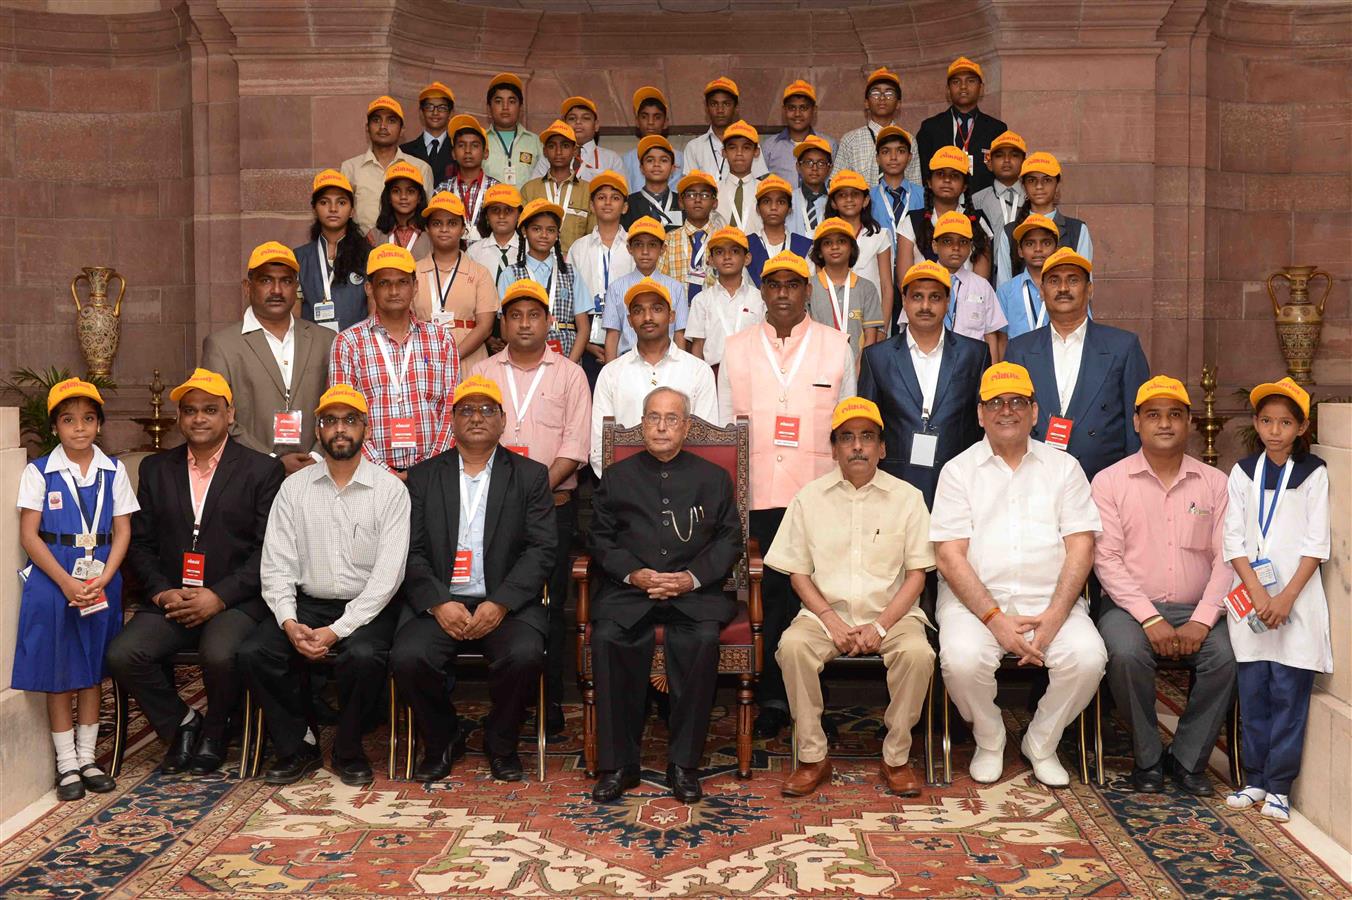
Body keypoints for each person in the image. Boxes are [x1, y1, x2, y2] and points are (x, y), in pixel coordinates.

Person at [930, 361, 1106, 787]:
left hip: (1052, 604)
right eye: (994, 403)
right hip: (974, 607)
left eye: (1017, 402)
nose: (1005, 410)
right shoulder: (957, 471)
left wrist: (1056, 615)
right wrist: (994, 619)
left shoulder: (1065, 468)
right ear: (979, 414)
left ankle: (1040, 742)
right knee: (961, 659)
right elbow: (950, 557)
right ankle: (990, 739)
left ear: (1034, 411)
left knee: (1088, 659)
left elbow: (1082, 545)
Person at [108, 369, 283, 776]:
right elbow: (140, 542)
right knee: (123, 654)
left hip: (234, 600)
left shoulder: (261, 470)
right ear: (180, 418)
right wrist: (160, 593)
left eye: (209, 410)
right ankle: (183, 724)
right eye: (190, 411)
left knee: (219, 654)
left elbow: (269, 550)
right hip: (172, 597)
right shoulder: (155, 469)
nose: (199, 418)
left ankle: (217, 733)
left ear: (229, 415)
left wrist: (218, 596)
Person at [241, 384, 410, 786]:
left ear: (365, 429)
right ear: (317, 430)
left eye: (349, 420)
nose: (340, 429)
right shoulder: (293, 488)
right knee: (254, 652)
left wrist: (336, 631)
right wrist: (287, 621)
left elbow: (388, 578)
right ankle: (297, 742)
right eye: (330, 421)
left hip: (369, 606)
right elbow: (276, 565)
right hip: (307, 603)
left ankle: (348, 749)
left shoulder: (390, 491)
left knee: (365, 656)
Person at [717, 251, 856, 739]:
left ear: (807, 292)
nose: (781, 292)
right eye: (773, 284)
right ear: (762, 292)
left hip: (818, 495)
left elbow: (849, 428)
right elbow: (721, 428)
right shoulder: (735, 348)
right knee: (770, 597)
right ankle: (775, 697)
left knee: (821, 595)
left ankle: (816, 701)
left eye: (792, 285)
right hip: (756, 496)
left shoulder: (837, 346)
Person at [392, 375, 556, 782]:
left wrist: (500, 602)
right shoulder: (424, 477)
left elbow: (542, 549)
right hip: (439, 604)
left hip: (506, 603)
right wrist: (437, 601)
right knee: (407, 658)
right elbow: (408, 550)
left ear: (503, 421)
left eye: (487, 410)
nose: (477, 418)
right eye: (466, 410)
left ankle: (500, 741)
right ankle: (443, 737)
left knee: (524, 655)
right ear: (452, 421)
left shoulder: (531, 476)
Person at [769, 397, 935, 798]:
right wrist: (831, 620)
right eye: (847, 438)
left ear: (883, 447)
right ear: (834, 449)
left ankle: (896, 758)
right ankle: (812, 758)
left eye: (867, 437)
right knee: (791, 648)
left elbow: (917, 576)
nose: (857, 446)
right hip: (824, 617)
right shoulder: (809, 498)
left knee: (919, 655)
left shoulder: (908, 498)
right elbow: (797, 573)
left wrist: (880, 626)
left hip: (893, 617)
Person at [588, 386, 743, 804]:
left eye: (671, 418)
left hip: (694, 593)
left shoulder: (713, 478)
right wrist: (633, 573)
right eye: (653, 417)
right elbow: (599, 537)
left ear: (686, 426)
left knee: (700, 640)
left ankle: (684, 764)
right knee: (608, 638)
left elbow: (730, 540)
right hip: (630, 591)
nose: (661, 426)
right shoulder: (617, 478)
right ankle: (619, 764)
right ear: (641, 424)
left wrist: (691, 578)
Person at [1093, 375, 1236, 796]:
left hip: (1200, 609)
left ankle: (1189, 759)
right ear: (1137, 422)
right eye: (1153, 415)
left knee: (1227, 656)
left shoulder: (1216, 483)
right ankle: (1149, 757)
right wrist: (1150, 617)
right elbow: (1107, 561)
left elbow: (1227, 559)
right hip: (1129, 609)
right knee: (1124, 654)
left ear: (1189, 422)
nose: (1165, 424)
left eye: (1175, 414)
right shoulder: (1110, 482)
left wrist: (1204, 620)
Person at [470, 282, 592, 735]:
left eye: (533, 315)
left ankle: (550, 701)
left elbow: (576, 446)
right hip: (489, 512)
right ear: (503, 322)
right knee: (496, 599)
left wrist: (530, 493)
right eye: (515, 315)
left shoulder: (570, 374)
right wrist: (510, 497)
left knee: (550, 604)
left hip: (553, 507)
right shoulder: (481, 374)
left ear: (547, 322)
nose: (524, 323)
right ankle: (507, 699)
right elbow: (469, 439)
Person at [14, 379, 136, 800]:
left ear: (99, 425)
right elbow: (29, 535)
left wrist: (105, 576)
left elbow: (123, 530)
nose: (79, 428)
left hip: (101, 574)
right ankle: (65, 763)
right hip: (55, 577)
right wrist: (66, 582)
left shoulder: (113, 471)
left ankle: (87, 757)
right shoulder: (39, 471)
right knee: (59, 669)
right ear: (55, 428)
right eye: (68, 420)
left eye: (87, 419)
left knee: (92, 668)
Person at [1223, 378, 1331, 823]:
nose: (1274, 431)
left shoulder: (1314, 473)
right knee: (1254, 692)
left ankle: (1280, 786)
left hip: (1296, 603)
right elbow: (1233, 539)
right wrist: (1259, 592)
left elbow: (1315, 543)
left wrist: (1285, 597)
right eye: (1266, 421)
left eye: (1285, 422)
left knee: (1288, 692)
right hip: (1253, 599)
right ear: (1255, 423)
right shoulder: (1242, 472)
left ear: (1302, 427)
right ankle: (1254, 779)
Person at [1005, 248, 1150, 480]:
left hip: (1103, 484)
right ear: (1042, 292)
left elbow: (1138, 426)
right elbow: (1007, 421)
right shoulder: (1019, 350)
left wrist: (1129, 484)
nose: (1063, 288)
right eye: (1054, 281)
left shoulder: (1123, 347)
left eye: (1073, 280)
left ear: (1090, 289)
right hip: (1033, 481)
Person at [858, 261, 988, 508]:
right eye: (917, 297)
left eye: (935, 297)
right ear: (904, 301)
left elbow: (982, 425)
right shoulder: (876, 357)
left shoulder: (975, 354)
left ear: (947, 302)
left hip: (960, 485)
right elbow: (867, 427)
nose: (926, 306)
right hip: (894, 487)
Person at [203, 241, 334, 473]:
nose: (276, 290)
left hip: (317, 472)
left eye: (285, 281)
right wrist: (269, 461)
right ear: (247, 287)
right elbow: (218, 416)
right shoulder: (221, 345)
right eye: (266, 280)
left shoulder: (325, 340)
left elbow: (338, 405)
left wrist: (317, 455)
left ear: (296, 287)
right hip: (249, 477)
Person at [329, 244, 459, 476]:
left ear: (415, 286)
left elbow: (451, 409)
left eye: (402, 282)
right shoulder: (348, 343)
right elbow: (344, 415)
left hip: (434, 472)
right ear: (369, 288)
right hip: (368, 474)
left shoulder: (440, 339)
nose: (394, 291)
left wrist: (427, 469)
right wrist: (383, 472)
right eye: (384, 283)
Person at [591, 278, 718, 476]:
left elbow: (706, 443)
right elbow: (600, 446)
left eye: (657, 309)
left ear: (672, 316)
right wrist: (622, 486)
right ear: (629, 320)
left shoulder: (698, 371)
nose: (647, 317)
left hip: (685, 488)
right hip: (627, 490)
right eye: (638, 311)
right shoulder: (611, 373)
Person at [897, 211, 1007, 360]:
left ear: (970, 247)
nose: (956, 248)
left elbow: (991, 335)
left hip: (971, 367)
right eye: (947, 241)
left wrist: (990, 376)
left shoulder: (982, 286)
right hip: (927, 362)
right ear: (935, 246)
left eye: (963, 242)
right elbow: (906, 331)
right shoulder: (919, 283)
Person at [496, 198, 592, 364]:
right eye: (536, 229)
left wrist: (570, 365)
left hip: (567, 354)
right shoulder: (510, 274)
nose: (544, 235)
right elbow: (505, 331)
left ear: (557, 235)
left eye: (550, 230)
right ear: (525, 231)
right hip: (524, 357)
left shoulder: (570, 273)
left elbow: (583, 329)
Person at [413, 191, 497, 368]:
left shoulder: (480, 273)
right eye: (437, 223)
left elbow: (485, 327)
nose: (444, 229)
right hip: (423, 361)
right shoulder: (413, 272)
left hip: (469, 362)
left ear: (463, 229)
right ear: (427, 229)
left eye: (452, 223)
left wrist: (452, 358)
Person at [567, 171, 634, 380]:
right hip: (588, 331)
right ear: (592, 205)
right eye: (601, 197)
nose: (607, 203)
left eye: (615, 198)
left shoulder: (634, 245)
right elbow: (569, 295)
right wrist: (585, 343)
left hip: (628, 331)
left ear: (624, 207)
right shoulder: (579, 247)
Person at [992, 152, 1094, 288]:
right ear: (1023, 186)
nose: (1039, 186)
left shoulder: (1077, 230)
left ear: (1057, 185)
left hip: (1066, 308)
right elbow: (1003, 288)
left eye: (1047, 180)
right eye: (1032, 180)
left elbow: (1085, 285)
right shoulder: (1010, 231)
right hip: (1019, 309)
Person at [896, 146, 995, 280]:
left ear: (964, 186)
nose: (947, 180)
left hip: (969, 300)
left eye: (954, 176)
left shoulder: (977, 221)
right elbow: (904, 281)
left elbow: (982, 286)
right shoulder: (912, 221)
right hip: (922, 299)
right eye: (940, 174)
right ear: (929, 182)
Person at [340, 96, 434, 234]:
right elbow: (342, 216)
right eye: (376, 120)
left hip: (409, 252)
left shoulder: (420, 168)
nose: (383, 126)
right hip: (362, 250)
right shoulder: (350, 168)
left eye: (391, 120)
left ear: (402, 130)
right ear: (367, 127)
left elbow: (427, 218)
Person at [601, 216, 688, 361]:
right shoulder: (616, 288)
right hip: (628, 362)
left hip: (667, 362)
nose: (645, 251)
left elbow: (679, 335)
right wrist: (610, 372)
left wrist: (680, 368)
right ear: (629, 249)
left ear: (663, 249)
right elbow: (612, 334)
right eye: (639, 244)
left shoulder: (676, 288)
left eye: (652, 245)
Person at [916, 57, 1007, 193]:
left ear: (981, 88)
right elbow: (923, 172)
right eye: (956, 82)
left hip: (983, 207)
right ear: (948, 90)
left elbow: (1003, 175)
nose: (963, 86)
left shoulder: (997, 129)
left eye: (970, 81)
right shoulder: (930, 128)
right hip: (942, 206)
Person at [296, 168, 371, 332]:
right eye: (324, 202)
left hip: (356, 348)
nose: (333, 208)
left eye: (341, 202)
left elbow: (374, 313)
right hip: (312, 350)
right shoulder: (298, 258)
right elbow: (294, 317)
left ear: (352, 211)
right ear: (314, 209)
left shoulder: (369, 255)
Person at [686, 225, 764, 367]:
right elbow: (697, 346)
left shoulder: (759, 299)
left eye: (734, 251)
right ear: (711, 260)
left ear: (747, 258)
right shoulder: (701, 300)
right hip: (713, 372)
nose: (727, 257)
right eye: (720, 252)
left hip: (752, 372)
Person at [807, 217, 885, 360]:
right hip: (818, 369)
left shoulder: (867, 288)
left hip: (858, 367)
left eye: (841, 241)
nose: (834, 247)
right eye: (827, 243)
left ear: (852, 248)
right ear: (819, 252)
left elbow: (871, 336)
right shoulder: (808, 287)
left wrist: (860, 368)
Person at [823, 170, 894, 321]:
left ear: (866, 200)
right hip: (833, 319)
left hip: (871, 318)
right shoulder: (823, 236)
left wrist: (882, 328)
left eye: (855, 194)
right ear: (833, 203)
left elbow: (887, 287)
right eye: (842, 195)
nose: (849, 199)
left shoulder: (880, 235)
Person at [836, 68, 921, 187]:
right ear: (866, 103)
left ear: (898, 104)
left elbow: (915, 184)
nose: (882, 98)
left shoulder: (909, 140)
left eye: (889, 93)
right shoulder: (850, 140)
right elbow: (837, 184)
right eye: (875, 93)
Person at [521, 119, 594, 253]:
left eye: (565, 146)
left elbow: (592, 236)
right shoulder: (529, 189)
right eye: (552, 146)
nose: (558, 152)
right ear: (545, 151)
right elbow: (522, 233)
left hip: (575, 265)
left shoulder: (588, 191)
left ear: (575, 151)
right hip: (537, 263)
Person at [683, 76, 769, 181]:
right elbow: (691, 186)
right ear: (706, 108)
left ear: (736, 107)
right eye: (714, 104)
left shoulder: (749, 142)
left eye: (726, 104)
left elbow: (759, 182)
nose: (720, 110)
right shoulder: (694, 147)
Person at [660, 170, 726, 304]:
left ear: (715, 203)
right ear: (681, 202)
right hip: (679, 316)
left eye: (705, 195)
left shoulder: (725, 240)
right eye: (690, 194)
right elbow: (659, 282)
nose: (697, 199)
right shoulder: (668, 240)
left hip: (716, 315)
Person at [530, 96, 623, 182]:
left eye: (586, 118)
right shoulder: (550, 157)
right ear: (563, 124)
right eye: (572, 118)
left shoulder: (611, 159)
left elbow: (622, 194)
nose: (578, 122)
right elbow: (535, 190)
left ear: (596, 125)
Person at [994, 213, 1058, 340]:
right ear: (1020, 251)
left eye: (1046, 243)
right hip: (1017, 359)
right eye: (1030, 244)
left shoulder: (1066, 288)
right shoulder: (1006, 291)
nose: (1038, 249)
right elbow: (1001, 338)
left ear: (1056, 250)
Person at [437, 114, 499, 241]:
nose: (468, 151)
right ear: (453, 153)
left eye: (475, 145)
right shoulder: (442, 190)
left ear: (485, 153)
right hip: (452, 255)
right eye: (461, 145)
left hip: (487, 256)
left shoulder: (496, 189)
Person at [762, 80, 836, 184]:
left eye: (804, 108)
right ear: (784, 110)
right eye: (792, 108)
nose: (797, 114)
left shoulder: (830, 145)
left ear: (814, 110)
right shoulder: (769, 146)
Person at [746, 174, 814, 285]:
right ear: (758, 209)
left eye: (781, 202)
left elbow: (809, 287)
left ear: (789, 209)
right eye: (766, 201)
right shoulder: (746, 245)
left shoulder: (804, 246)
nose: (773, 207)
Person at [619, 87, 684, 195]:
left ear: (666, 122)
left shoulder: (681, 158)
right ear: (637, 121)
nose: (650, 122)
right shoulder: (626, 160)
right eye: (644, 117)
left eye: (657, 117)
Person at [482, 72, 542, 188]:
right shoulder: (480, 140)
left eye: (512, 101)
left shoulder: (536, 142)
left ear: (521, 108)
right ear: (489, 109)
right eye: (498, 101)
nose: (505, 107)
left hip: (526, 205)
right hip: (489, 205)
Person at [870, 126, 924, 251]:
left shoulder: (923, 195)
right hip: (878, 266)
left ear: (910, 157)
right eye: (885, 152)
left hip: (916, 267)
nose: (893, 157)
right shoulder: (868, 198)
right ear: (877, 158)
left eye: (900, 151)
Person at [366, 160, 431, 259]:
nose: (403, 196)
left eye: (410, 191)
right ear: (388, 197)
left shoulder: (431, 234)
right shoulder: (375, 236)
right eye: (396, 191)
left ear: (419, 198)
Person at [400, 81, 457, 188]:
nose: (435, 112)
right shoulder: (404, 151)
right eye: (429, 107)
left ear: (451, 113)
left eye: (442, 108)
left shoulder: (459, 150)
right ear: (421, 112)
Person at [622, 134, 683, 231]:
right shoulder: (627, 204)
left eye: (663, 160)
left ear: (672, 168)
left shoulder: (682, 203)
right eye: (650, 160)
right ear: (641, 168)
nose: (656, 164)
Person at [971, 130, 1026, 235]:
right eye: (999, 155)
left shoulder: (1031, 197)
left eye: (1014, 155)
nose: (1006, 160)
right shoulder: (977, 200)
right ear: (990, 164)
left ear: (1024, 163)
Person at [466, 182, 523, 283]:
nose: (501, 216)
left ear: (519, 215)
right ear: (487, 215)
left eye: (508, 210)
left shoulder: (529, 250)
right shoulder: (474, 253)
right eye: (495, 210)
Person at [715, 120, 765, 235]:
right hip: (722, 250)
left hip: (758, 251)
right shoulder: (714, 191)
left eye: (746, 148)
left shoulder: (764, 191)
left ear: (756, 152)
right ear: (724, 153)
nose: (739, 153)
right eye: (732, 148)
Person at [787, 135, 833, 236]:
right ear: (798, 167)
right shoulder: (787, 200)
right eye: (808, 162)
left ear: (829, 168)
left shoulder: (835, 200)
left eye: (821, 163)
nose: (814, 168)